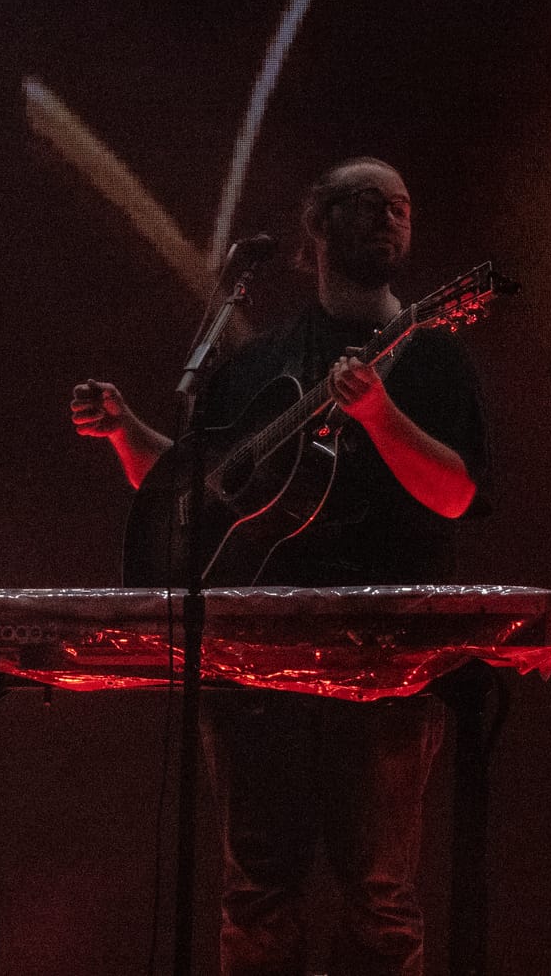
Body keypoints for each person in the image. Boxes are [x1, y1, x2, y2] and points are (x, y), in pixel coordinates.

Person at [70, 156, 489, 976]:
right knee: (258, 894)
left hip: (386, 661)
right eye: (368, 201)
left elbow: (455, 494)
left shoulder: (433, 355)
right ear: (319, 223)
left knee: (380, 898)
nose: (391, 215)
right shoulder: (259, 364)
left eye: (402, 204)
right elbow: (192, 493)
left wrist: (380, 415)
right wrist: (124, 430)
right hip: (257, 666)